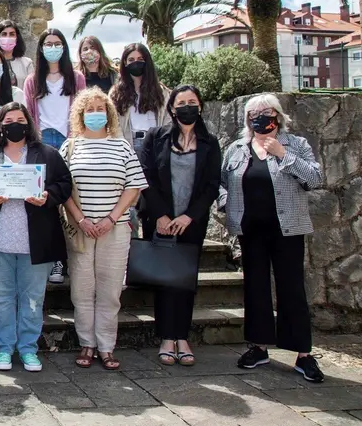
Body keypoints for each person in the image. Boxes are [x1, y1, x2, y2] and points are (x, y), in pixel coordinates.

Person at [222, 94, 325, 382]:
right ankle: (258, 347)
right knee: (255, 288)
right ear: (247, 119)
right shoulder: (237, 149)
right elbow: (220, 183)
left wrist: (282, 153)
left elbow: (315, 179)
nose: (260, 117)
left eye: (266, 112)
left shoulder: (296, 145)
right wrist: (225, 203)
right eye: (254, 113)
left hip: (287, 229)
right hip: (251, 229)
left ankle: (303, 354)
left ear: (277, 116)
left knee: (292, 288)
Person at [0, 102, 71, 372]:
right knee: (1, 299)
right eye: (8, 119)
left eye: (20, 119)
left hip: (35, 242)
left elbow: (64, 184)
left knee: (33, 299)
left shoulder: (48, 154)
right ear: (0, 125)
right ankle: (3, 349)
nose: (14, 124)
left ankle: (28, 349)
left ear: (29, 123)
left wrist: (48, 197)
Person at [61, 89, 146, 371]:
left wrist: (111, 218)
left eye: (100, 108)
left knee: (110, 290)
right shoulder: (70, 147)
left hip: (115, 228)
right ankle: (86, 343)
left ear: (108, 113)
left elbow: (133, 186)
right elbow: (62, 189)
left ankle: (107, 347)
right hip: (81, 229)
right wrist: (81, 219)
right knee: (82, 290)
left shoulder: (121, 146)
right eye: (89, 108)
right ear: (80, 114)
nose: (95, 113)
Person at [139, 85, 222, 367]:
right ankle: (166, 337)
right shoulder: (156, 137)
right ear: (172, 109)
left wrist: (190, 217)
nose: (187, 107)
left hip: (191, 223)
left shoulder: (210, 142)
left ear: (200, 106)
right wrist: (160, 215)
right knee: (165, 281)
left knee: (185, 281)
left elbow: (212, 186)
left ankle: (182, 337)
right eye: (181, 102)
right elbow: (145, 176)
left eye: (192, 102)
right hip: (160, 221)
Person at [23, 28, 86, 151]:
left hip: (69, 138)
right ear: (41, 48)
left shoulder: (77, 78)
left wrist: (76, 134)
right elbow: (28, 111)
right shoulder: (32, 81)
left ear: (63, 47)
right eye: (48, 44)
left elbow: (82, 109)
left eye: (57, 44)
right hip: (42, 137)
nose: (53, 48)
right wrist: (34, 132)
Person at [110, 42, 169, 154]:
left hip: (155, 145)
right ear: (125, 63)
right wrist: (124, 147)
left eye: (140, 59)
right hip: (128, 145)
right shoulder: (116, 93)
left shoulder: (161, 92)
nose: (136, 62)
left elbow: (168, 119)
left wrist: (161, 143)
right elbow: (113, 122)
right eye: (131, 60)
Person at [0, 20, 35, 89]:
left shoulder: (27, 63)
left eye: (12, 34)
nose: (8, 37)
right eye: (4, 34)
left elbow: (32, 89)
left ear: (17, 38)